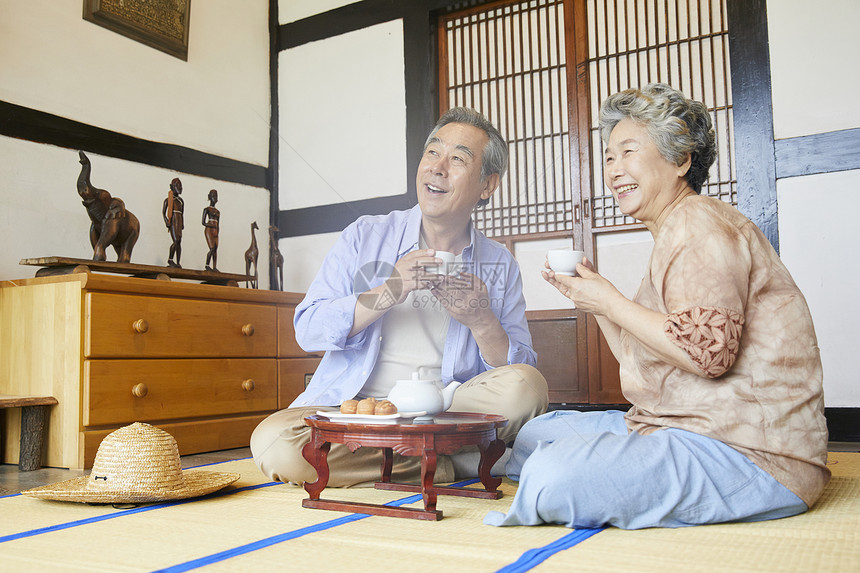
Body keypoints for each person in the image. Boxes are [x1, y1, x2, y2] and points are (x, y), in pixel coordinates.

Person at [484, 83, 830, 530]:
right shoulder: (675, 230)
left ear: (681, 160)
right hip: (675, 426)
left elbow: (708, 355)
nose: (614, 170)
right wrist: (597, 302)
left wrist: (610, 300)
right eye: (609, 157)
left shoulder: (698, 222)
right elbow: (644, 355)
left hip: (750, 452)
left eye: (629, 152)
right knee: (533, 436)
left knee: (552, 476)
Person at [251, 107, 548, 487]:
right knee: (273, 444)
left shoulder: (498, 263)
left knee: (528, 386)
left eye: (457, 158)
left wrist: (481, 321)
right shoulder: (364, 236)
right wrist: (389, 289)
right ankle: (451, 466)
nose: (437, 168)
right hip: (357, 411)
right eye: (432, 152)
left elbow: (520, 372)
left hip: (445, 412)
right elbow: (307, 329)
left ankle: (420, 458)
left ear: (487, 186)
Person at [162, 177, 184, 267]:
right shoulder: (168, 200)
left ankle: (178, 262)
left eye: (181, 186)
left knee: (179, 242)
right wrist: (167, 220)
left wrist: (182, 223)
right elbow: (163, 212)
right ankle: (170, 260)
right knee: (176, 240)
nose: (180, 188)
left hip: (179, 220)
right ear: (172, 187)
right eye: (178, 186)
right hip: (173, 220)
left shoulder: (181, 201)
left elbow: (182, 213)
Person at [202, 189, 220, 271]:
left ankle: (214, 267)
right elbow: (203, 222)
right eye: (213, 196)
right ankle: (207, 265)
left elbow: (218, 224)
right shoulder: (207, 209)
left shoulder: (218, 212)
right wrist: (211, 225)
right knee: (212, 248)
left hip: (215, 230)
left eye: (216, 196)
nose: (215, 198)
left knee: (215, 249)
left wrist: (217, 231)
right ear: (209, 197)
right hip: (209, 229)